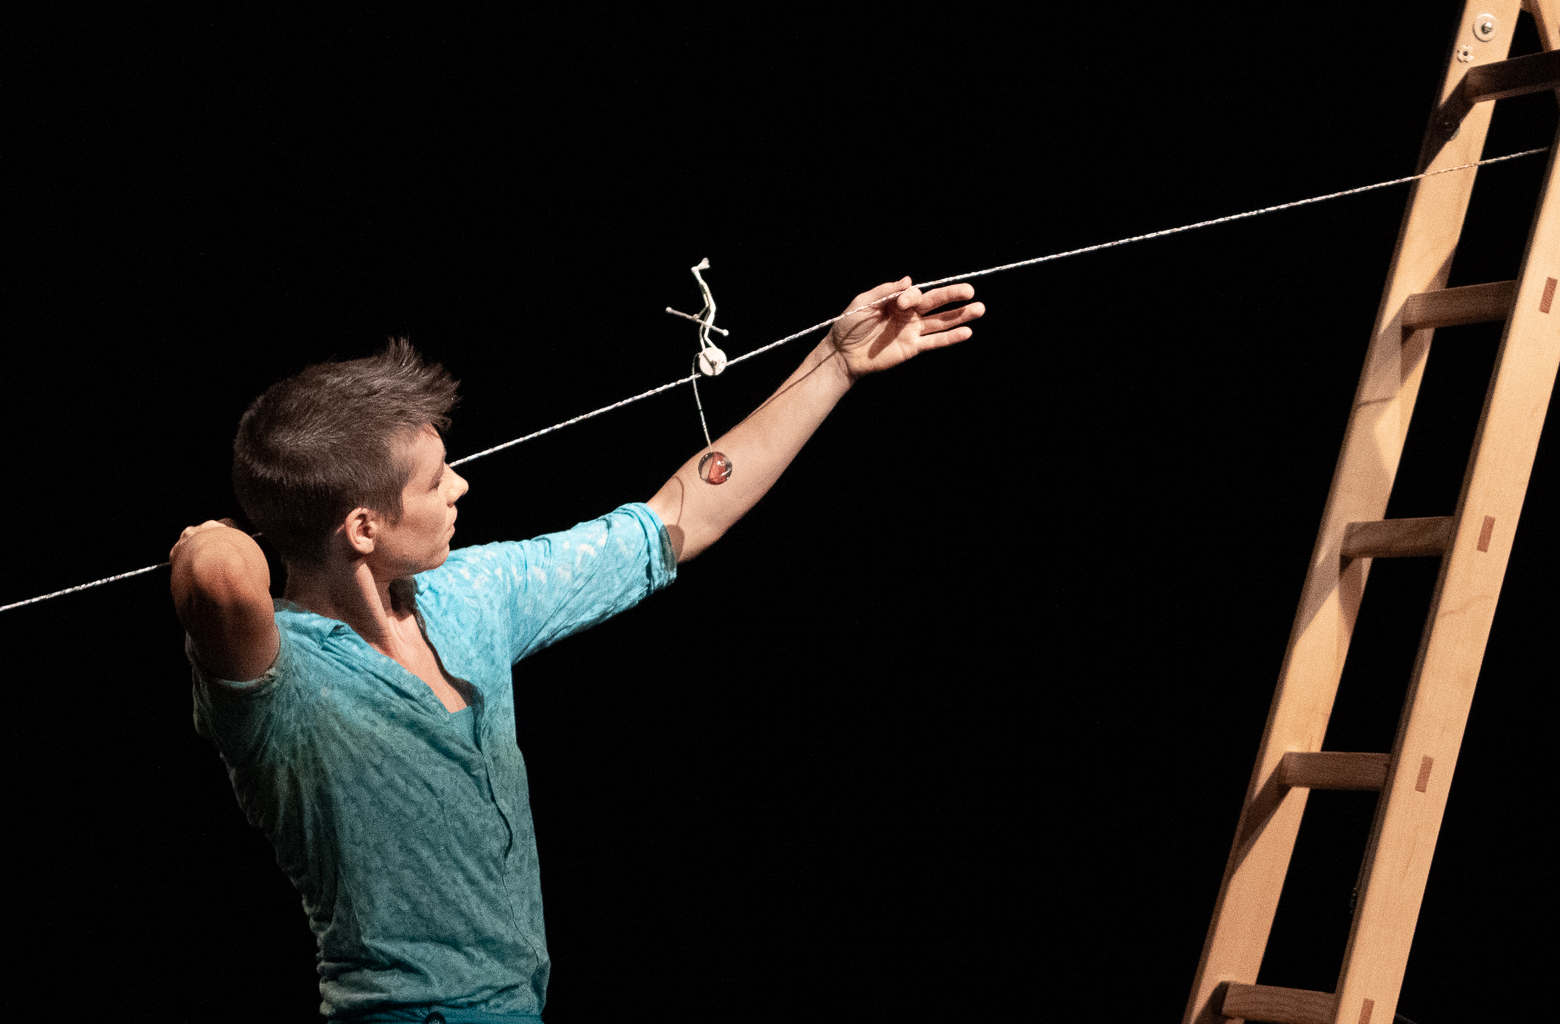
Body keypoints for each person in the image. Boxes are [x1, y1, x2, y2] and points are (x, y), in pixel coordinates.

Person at [170, 277, 983, 1022]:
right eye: (435, 479)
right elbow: (219, 581)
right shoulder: (284, 684)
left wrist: (834, 362)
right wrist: (212, 538)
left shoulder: (470, 593)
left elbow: (679, 516)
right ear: (362, 527)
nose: (460, 486)